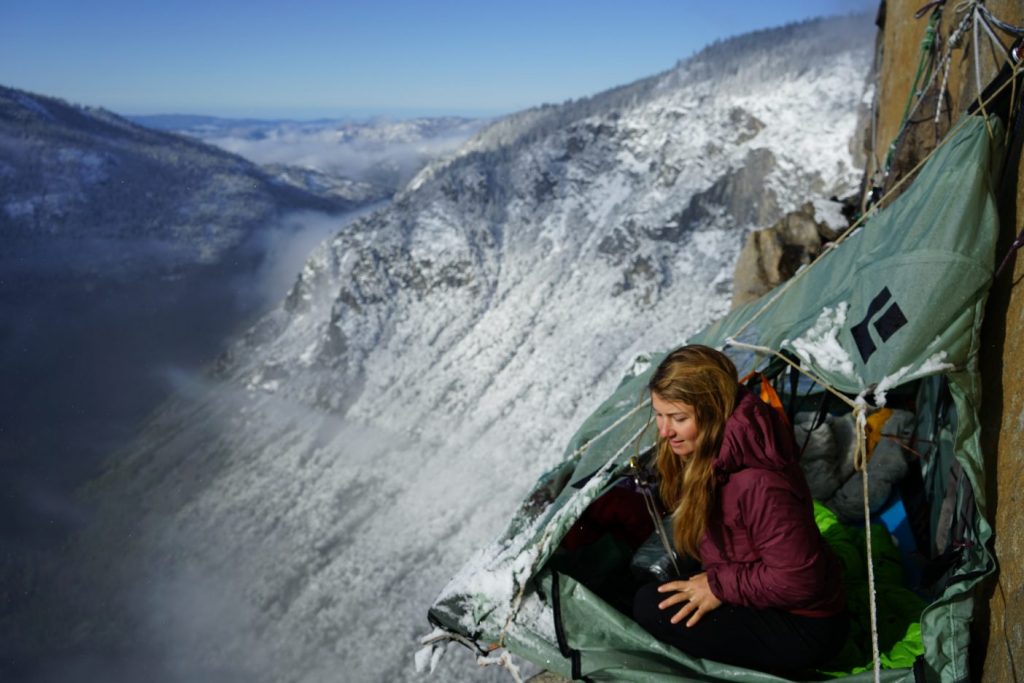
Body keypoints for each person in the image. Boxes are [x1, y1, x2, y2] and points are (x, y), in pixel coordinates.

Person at [632, 345, 848, 674]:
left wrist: (717, 586)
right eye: (659, 415)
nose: (664, 431)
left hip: (806, 628)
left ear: (712, 410)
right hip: (758, 585)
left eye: (678, 418)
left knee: (651, 607)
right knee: (655, 580)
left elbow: (802, 580)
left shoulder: (759, 482)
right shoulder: (715, 453)